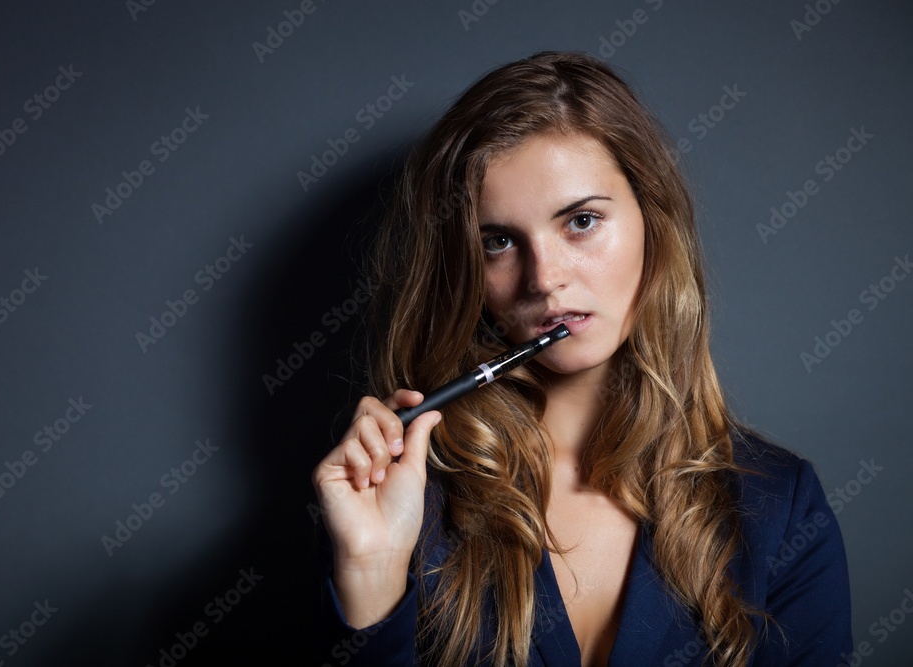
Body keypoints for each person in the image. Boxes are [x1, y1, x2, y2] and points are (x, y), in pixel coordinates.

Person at [310, 50, 852, 667]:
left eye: (582, 221)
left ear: (652, 220)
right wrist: (371, 571)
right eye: (498, 242)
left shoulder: (780, 507)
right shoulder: (403, 502)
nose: (545, 279)